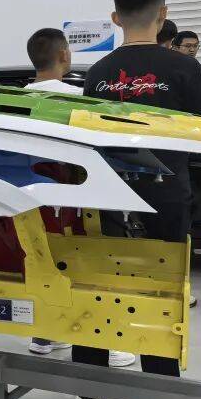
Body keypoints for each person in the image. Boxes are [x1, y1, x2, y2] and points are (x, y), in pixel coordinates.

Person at [78, 0, 201, 399]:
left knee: (98, 282)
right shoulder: (185, 69)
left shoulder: (98, 73)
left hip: (106, 192)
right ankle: (160, 398)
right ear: (163, 14)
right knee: (160, 289)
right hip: (165, 194)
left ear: (116, 18)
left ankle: (87, 387)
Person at [22, 29, 135, 364]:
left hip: (30, 198)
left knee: (42, 261)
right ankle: (97, 340)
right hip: (72, 198)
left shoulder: (17, 97)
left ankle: (44, 336)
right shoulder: (77, 97)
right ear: (64, 55)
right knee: (82, 267)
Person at [172, 31, 201, 103]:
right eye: (188, 46)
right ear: (175, 47)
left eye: (195, 46)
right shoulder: (166, 68)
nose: (192, 50)